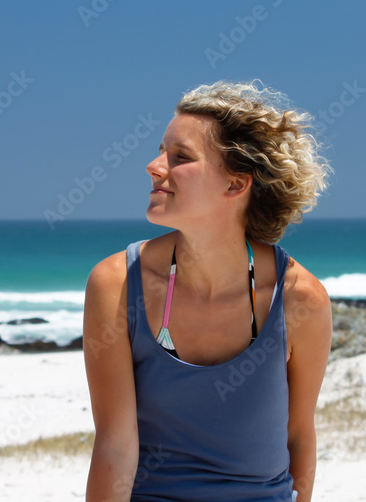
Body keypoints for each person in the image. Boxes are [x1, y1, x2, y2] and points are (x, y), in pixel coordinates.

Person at [83, 80, 334, 501]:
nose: (153, 165)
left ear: (236, 185)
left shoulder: (300, 299)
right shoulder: (117, 284)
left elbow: (298, 436)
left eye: (180, 157)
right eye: (162, 150)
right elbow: (115, 444)